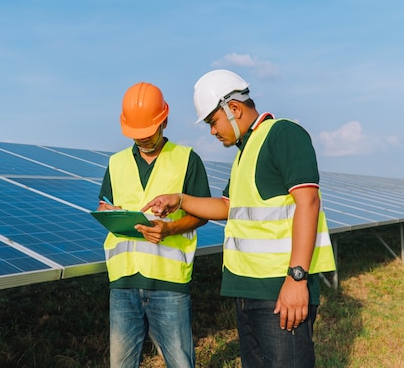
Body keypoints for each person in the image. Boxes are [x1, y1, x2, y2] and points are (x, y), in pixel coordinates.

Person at [142, 70, 336, 368]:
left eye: (213, 122)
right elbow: (227, 206)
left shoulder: (282, 134)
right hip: (248, 291)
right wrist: (179, 200)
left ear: (233, 108)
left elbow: (308, 201)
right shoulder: (246, 151)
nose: (212, 131)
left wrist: (297, 279)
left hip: (279, 290)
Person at [97, 81, 211, 368]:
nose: (143, 139)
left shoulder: (187, 160)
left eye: (147, 133)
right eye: (137, 135)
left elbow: (204, 213)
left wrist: (170, 228)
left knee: (181, 363)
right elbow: (104, 204)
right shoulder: (116, 163)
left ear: (164, 120)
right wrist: (110, 211)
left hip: (169, 283)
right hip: (123, 282)